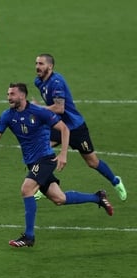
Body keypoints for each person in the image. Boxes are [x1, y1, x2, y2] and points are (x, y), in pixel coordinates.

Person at [0, 82, 114, 248]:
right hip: (32, 163)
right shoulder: (7, 116)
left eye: (12, 94)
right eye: (8, 94)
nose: (9, 97)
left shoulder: (39, 112)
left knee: (26, 189)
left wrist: (63, 154)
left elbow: (64, 129)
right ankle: (98, 197)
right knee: (59, 198)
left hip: (45, 159)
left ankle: (29, 236)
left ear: (22, 96)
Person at [33, 53, 127, 200]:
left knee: (92, 162)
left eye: (41, 64)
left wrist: (39, 109)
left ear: (50, 66)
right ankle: (46, 185)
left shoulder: (56, 82)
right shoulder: (38, 82)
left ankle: (115, 181)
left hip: (75, 127)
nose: (37, 67)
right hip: (58, 126)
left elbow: (60, 108)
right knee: (42, 150)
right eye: (36, 64)